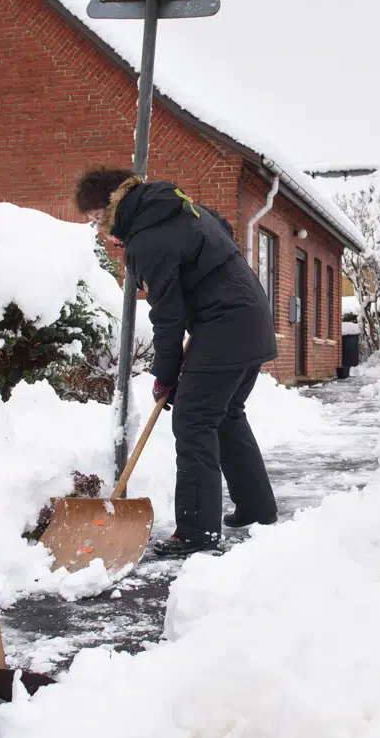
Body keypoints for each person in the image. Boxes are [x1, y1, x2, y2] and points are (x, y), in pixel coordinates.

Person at [75, 168, 279, 558]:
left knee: (193, 419)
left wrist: (164, 376)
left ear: (115, 202)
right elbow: (223, 232)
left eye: (99, 218)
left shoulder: (149, 240)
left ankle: (197, 532)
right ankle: (256, 507)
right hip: (251, 318)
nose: (100, 229)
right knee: (226, 413)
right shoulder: (180, 209)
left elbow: (167, 317)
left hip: (227, 326)